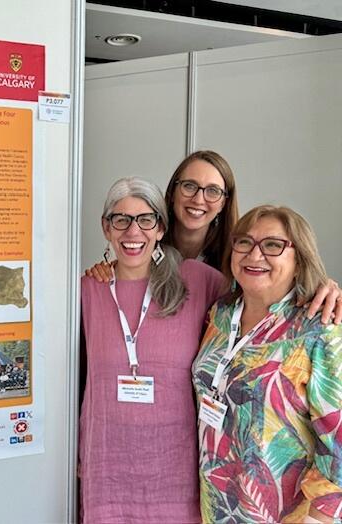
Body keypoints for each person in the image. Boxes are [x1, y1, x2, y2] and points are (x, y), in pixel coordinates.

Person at [80, 177, 225, 523]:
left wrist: (323, 290)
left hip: (176, 472)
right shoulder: (86, 289)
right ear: (106, 228)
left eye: (146, 219)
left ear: (160, 228)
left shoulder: (199, 280)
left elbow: (263, 303)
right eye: (121, 219)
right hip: (105, 469)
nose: (133, 231)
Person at [192, 206, 342, 523]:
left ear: (299, 259)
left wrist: (316, 518)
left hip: (284, 514)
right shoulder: (218, 314)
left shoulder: (320, 330)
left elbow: (338, 446)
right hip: (215, 505)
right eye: (244, 242)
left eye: (273, 245)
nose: (254, 254)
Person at [86, 150, 342, 323]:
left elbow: (281, 286)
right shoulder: (143, 241)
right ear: (173, 191)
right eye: (189, 186)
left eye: (212, 191)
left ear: (223, 202)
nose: (198, 199)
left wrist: (322, 286)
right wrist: (105, 272)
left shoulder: (241, 257)